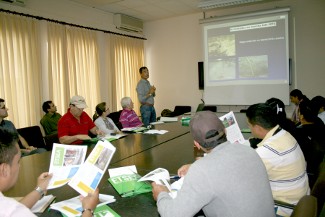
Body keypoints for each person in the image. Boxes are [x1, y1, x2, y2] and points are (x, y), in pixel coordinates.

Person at [152, 111, 275, 217]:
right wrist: (199, 166)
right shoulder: (250, 151)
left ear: (197, 144)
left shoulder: (202, 171)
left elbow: (173, 214)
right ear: (225, 131)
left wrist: (161, 195)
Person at [0, 128, 99, 217]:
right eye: (18, 161)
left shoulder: (7, 207)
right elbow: (12, 211)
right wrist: (88, 209)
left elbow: (14, 209)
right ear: (4, 169)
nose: (19, 166)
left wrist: (40, 190)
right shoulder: (10, 210)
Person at [246, 103, 309, 215]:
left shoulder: (267, 151)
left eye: (249, 125)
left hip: (284, 206)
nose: (249, 129)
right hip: (299, 198)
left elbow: (241, 176)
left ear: (257, 127)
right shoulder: (284, 134)